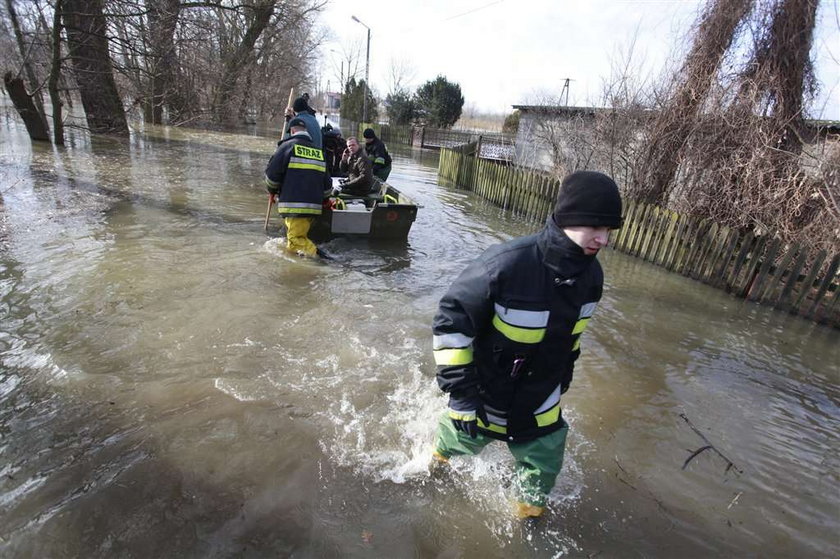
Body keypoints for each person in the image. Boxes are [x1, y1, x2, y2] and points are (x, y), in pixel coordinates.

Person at [429, 171, 623, 520]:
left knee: (542, 469)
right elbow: (450, 324)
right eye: (596, 227)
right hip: (484, 395)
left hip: (540, 398)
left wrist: (564, 378)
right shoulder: (505, 264)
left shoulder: (592, 277)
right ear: (568, 218)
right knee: (448, 456)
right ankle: (431, 476)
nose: (603, 239)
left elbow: (572, 340)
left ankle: (527, 523)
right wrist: (461, 396)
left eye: (609, 230)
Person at [264, 117, 332, 257]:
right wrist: (325, 200)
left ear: (292, 131)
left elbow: (272, 176)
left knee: (295, 241)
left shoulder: (286, 147)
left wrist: (272, 191)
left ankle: (323, 260)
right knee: (296, 237)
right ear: (305, 131)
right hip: (313, 208)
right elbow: (327, 184)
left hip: (294, 206)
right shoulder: (318, 151)